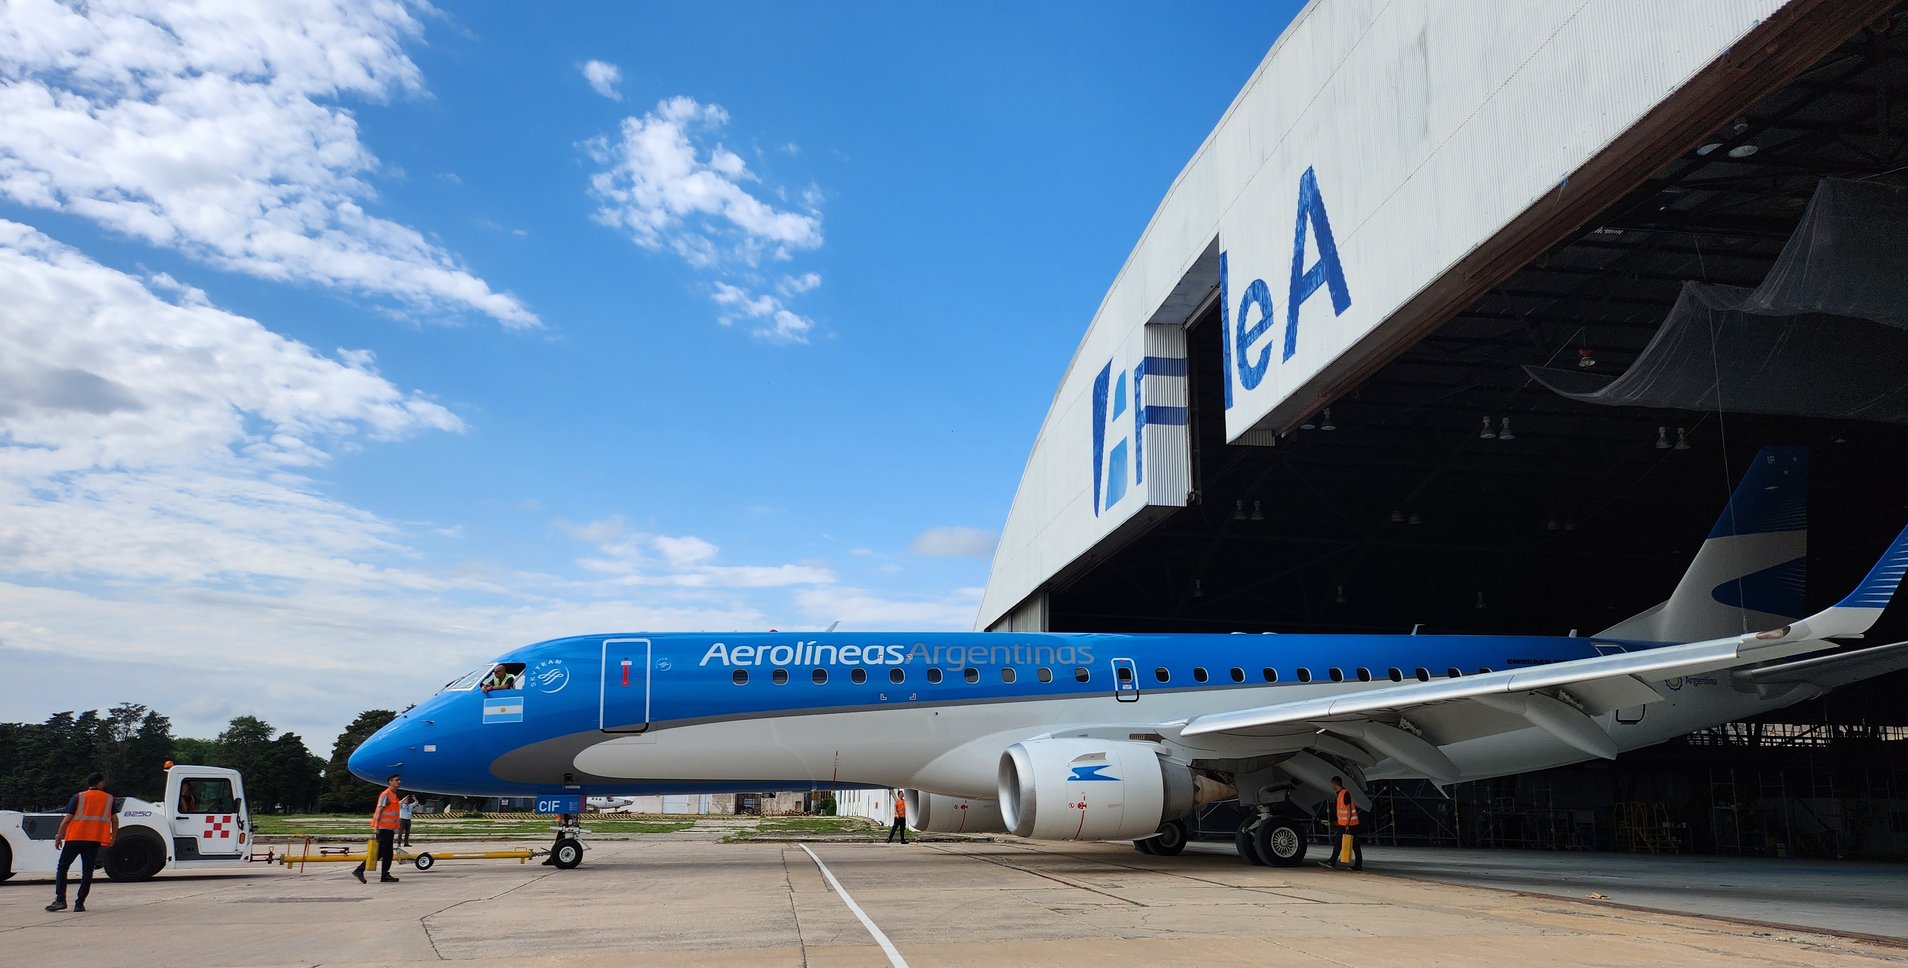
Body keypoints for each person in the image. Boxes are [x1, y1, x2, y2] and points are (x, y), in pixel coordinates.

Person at [47, 772, 117, 913]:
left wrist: (59, 836)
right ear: (100, 783)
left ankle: (60, 900)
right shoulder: (109, 799)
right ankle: (79, 903)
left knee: (62, 867)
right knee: (87, 871)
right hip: (94, 840)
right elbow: (114, 820)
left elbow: (67, 819)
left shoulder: (79, 797)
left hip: (75, 838)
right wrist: (113, 837)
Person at [351, 774, 404, 884]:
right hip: (383, 828)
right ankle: (360, 870)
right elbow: (379, 811)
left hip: (389, 829)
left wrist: (397, 827)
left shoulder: (394, 796)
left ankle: (384, 875)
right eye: (396, 780)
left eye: (399, 780)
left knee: (387, 853)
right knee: (380, 852)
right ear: (390, 782)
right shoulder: (386, 794)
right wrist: (376, 827)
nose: (399, 782)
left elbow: (394, 814)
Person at [1323, 775, 1363, 872]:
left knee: (1348, 844)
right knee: (1348, 844)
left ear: (1335, 784)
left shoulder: (1345, 794)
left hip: (1349, 824)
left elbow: (1348, 810)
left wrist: (1347, 824)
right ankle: (1334, 862)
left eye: (1332, 784)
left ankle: (1333, 862)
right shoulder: (1340, 793)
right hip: (1344, 823)